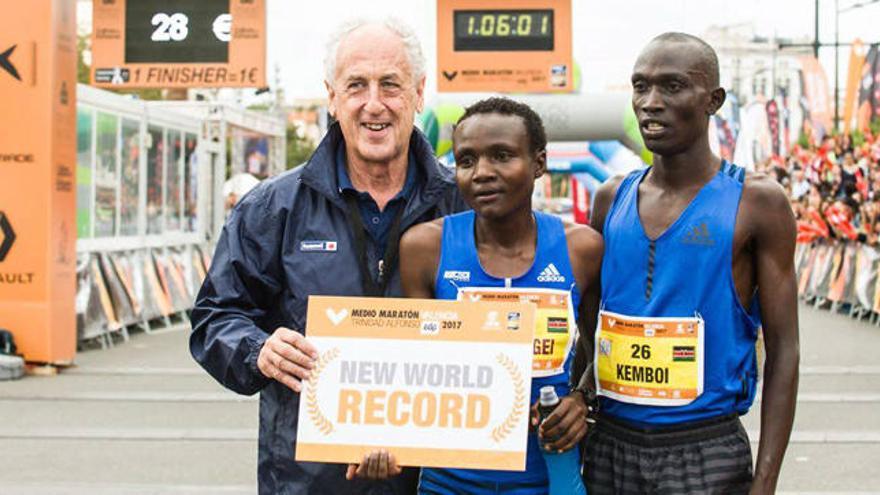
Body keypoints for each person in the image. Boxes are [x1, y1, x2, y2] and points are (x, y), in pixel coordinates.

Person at [189, 17, 466, 495]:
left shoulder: (464, 206)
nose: (373, 104)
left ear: (419, 93)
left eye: (391, 85)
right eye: (356, 85)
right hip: (308, 479)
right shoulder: (273, 206)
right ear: (332, 97)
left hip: (439, 480)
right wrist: (259, 351)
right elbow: (214, 317)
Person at [577, 32, 800, 494]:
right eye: (641, 86)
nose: (651, 102)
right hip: (611, 446)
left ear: (713, 100)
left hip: (706, 446)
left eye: (672, 86)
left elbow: (784, 351)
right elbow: (589, 324)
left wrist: (765, 482)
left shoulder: (757, 202)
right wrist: (582, 396)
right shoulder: (609, 198)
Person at [348, 97, 603, 493]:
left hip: (549, 477)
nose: (482, 173)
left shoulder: (581, 249)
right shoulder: (424, 247)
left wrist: (581, 399)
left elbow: (600, 351)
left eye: (501, 156)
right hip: (448, 481)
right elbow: (408, 364)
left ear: (539, 163)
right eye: (466, 160)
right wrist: (377, 436)